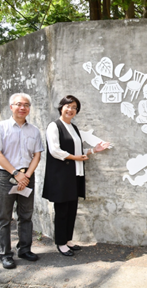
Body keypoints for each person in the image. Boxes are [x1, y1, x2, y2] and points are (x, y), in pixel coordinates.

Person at [42, 95, 110, 257]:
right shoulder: (54, 126)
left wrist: (94, 150)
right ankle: (60, 242)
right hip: (61, 176)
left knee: (72, 209)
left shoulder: (73, 127)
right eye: (68, 106)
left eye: (74, 107)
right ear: (61, 107)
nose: (71, 110)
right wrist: (75, 158)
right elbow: (55, 151)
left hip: (74, 174)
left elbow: (78, 152)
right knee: (62, 210)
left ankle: (67, 240)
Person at [0, 93, 44, 269]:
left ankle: (25, 249)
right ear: (11, 106)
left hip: (27, 176)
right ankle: (5, 254)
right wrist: (15, 173)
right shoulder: (0, 127)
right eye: (19, 104)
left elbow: (37, 155)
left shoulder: (34, 130)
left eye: (26, 105)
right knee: (4, 217)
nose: (23, 107)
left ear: (29, 108)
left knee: (26, 215)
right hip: (7, 176)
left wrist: (26, 175)